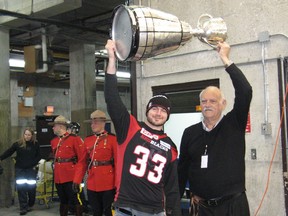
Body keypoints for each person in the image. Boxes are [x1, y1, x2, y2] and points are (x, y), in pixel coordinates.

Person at [104, 39, 181, 216]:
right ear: (147, 111)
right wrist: (111, 59)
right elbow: (112, 98)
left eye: (163, 110)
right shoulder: (130, 128)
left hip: (154, 211)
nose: (158, 113)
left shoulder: (171, 147)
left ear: (168, 115)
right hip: (126, 207)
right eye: (154, 108)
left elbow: (172, 188)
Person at [178, 42, 253, 216]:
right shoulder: (190, 133)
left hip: (233, 206)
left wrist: (225, 59)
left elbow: (245, 90)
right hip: (201, 207)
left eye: (213, 101)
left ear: (223, 104)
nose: (208, 104)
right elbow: (182, 170)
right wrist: (173, 204)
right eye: (204, 101)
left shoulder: (234, 124)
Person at [49, 115, 87, 216]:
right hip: (59, 176)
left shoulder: (75, 139)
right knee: (63, 201)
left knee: (75, 200)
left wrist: (78, 178)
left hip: (71, 176)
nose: (53, 128)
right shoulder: (54, 141)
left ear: (61, 126)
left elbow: (82, 160)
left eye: (54, 126)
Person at [83, 109, 118, 216]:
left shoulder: (112, 139)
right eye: (92, 122)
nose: (93, 125)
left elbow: (118, 163)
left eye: (96, 122)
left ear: (103, 123)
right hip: (92, 182)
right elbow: (82, 162)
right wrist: (76, 179)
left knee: (108, 211)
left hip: (108, 181)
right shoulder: (88, 140)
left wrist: (118, 184)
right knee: (95, 211)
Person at [0, 127, 41, 215]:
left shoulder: (35, 144)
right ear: (23, 134)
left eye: (29, 135)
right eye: (25, 134)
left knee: (31, 189)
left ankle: (30, 204)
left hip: (31, 169)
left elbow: (39, 156)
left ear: (32, 135)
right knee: (21, 188)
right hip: (20, 169)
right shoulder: (18, 144)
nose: (27, 136)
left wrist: (33, 163)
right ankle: (23, 207)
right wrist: (0, 158)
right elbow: (9, 152)